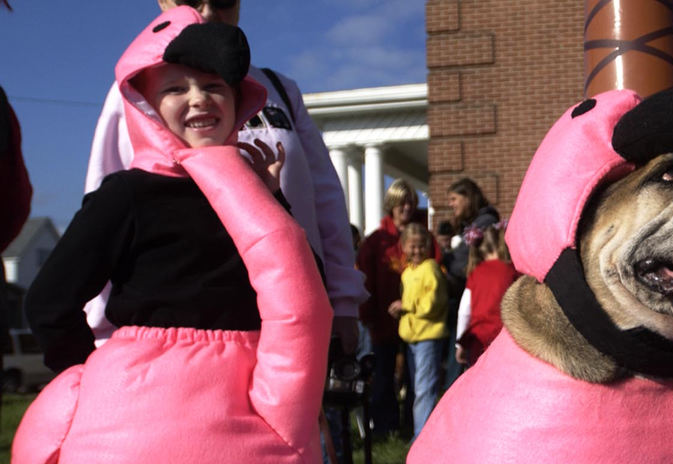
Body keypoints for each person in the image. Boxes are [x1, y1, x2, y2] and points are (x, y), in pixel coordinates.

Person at [8, 8, 330, 464]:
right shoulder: (127, 196)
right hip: (153, 434)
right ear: (146, 103)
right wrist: (84, 381)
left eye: (212, 86)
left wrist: (273, 202)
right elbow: (50, 298)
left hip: (236, 433)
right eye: (176, 87)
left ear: (240, 101)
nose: (196, 100)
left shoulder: (254, 197)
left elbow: (299, 288)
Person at [83, 0, 365, 356]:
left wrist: (342, 301)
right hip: (181, 340)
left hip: (291, 322)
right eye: (190, 0)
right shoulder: (133, 90)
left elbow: (324, 197)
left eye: (222, 1)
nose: (206, 12)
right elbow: (101, 217)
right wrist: (101, 336)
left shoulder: (281, 90)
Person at [357, 179, 418, 440]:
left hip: (418, 320)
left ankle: (413, 426)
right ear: (391, 205)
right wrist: (368, 316)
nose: (406, 207)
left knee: (415, 376)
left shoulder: (419, 236)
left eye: (410, 202)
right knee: (383, 374)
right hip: (384, 320)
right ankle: (384, 425)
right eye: (401, 203)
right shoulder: (376, 242)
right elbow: (364, 280)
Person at [388, 224, 448, 440]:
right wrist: (402, 309)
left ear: (428, 246)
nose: (417, 251)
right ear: (404, 247)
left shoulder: (431, 268)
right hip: (413, 338)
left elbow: (434, 302)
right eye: (412, 246)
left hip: (428, 337)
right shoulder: (407, 273)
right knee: (417, 388)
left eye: (421, 246)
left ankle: (422, 439)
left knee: (424, 390)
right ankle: (420, 435)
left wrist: (407, 306)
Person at [441, 178, 500, 386]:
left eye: (454, 198)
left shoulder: (484, 224)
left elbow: (462, 263)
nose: (451, 204)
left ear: (468, 198)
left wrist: (444, 259)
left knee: (461, 370)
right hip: (465, 302)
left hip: (474, 308)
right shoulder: (471, 225)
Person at [454, 222, 518, 367]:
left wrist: (460, 344)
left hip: (479, 338)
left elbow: (464, 311)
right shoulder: (512, 271)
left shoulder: (475, 273)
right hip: (505, 337)